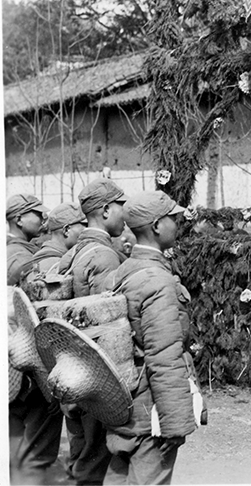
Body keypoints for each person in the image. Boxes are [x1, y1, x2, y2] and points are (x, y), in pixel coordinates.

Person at [105, 190, 198, 484]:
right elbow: (165, 355)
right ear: (157, 226)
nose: (177, 223)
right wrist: (174, 422)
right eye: (172, 217)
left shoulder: (122, 272)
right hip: (151, 415)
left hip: (122, 404)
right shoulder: (157, 280)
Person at [57, 178, 128, 485]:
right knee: (95, 463)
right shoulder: (104, 256)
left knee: (81, 456)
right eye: (121, 208)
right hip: (96, 378)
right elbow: (107, 324)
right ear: (106, 209)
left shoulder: (73, 252)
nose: (124, 217)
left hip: (71, 371)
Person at [6, 194, 64, 485]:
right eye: (36, 214)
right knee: (39, 432)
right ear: (18, 219)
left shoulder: (21, 249)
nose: (43, 219)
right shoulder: (18, 255)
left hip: (14, 360)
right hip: (23, 358)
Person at [32, 201, 87, 276]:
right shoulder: (55, 263)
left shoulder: (52, 256)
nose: (88, 231)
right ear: (66, 230)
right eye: (85, 226)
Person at [6, 194, 48, 286]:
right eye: (38, 214)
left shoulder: (12, 248)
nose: (43, 218)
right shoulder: (21, 256)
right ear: (19, 220)